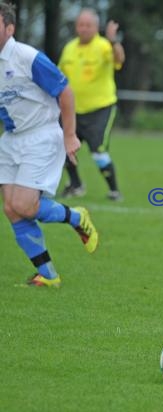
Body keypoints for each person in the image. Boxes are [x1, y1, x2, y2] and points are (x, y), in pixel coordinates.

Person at [0, 2, 98, 287]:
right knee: (11, 208)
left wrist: (69, 135)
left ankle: (77, 217)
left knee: (24, 205)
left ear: (9, 27)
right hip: (11, 138)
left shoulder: (26, 57)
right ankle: (48, 275)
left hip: (41, 135)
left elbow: (65, 91)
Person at [58, 8, 125, 201]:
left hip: (100, 109)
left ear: (96, 27)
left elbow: (119, 59)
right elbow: (59, 75)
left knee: (98, 150)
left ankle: (114, 191)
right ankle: (76, 185)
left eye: (88, 25)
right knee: (63, 148)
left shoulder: (104, 46)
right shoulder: (70, 48)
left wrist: (113, 41)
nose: (84, 28)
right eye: (81, 24)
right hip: (73, 110)